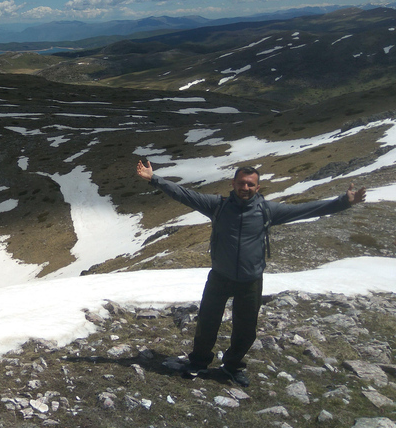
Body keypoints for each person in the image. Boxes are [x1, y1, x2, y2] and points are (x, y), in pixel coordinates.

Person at [136, 160, 366, 387]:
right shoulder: (217, 205)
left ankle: (232, 366)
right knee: (207, 322)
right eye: (241, 183)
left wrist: (344, 202)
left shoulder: (268, 210)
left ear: (258, 188)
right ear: (233, 184)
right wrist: (153, 178)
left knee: (246, 329)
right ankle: (198, 362)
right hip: (219, 277)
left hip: (251, 281)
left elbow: (306, 209)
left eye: (250, 185)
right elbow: (183, 194)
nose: (245, 188)